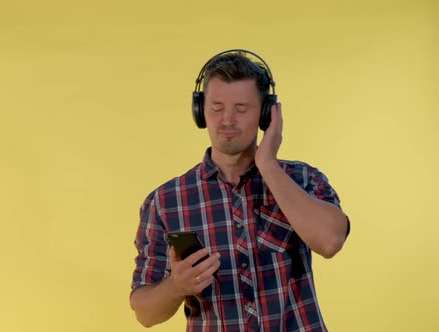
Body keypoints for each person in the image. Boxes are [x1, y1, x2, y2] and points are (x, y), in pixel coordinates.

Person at [129, 50, 350, 332]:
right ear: (200, 111)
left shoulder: (302, 179)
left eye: (242, 108)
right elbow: (145, 314)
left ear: (266, 114)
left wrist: (268, 164)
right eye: (216, 108)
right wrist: (175, 286)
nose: (227, 120)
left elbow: (330, 241)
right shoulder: (164, 201)